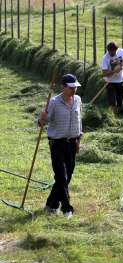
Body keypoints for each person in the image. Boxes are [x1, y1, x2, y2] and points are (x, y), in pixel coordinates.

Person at [39, 74, 83, 219]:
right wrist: (42, 118)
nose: (74, 90)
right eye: (71, 87)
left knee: (67, 176)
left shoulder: (77, 100)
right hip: (57, 143)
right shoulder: (54, 102)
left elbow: (79, 121)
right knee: (61, 176)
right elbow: (42, 123)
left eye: (75, 87)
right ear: (63, 87)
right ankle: (67, 208)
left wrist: (78, 140)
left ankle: (51, 205)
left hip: (72, 143)